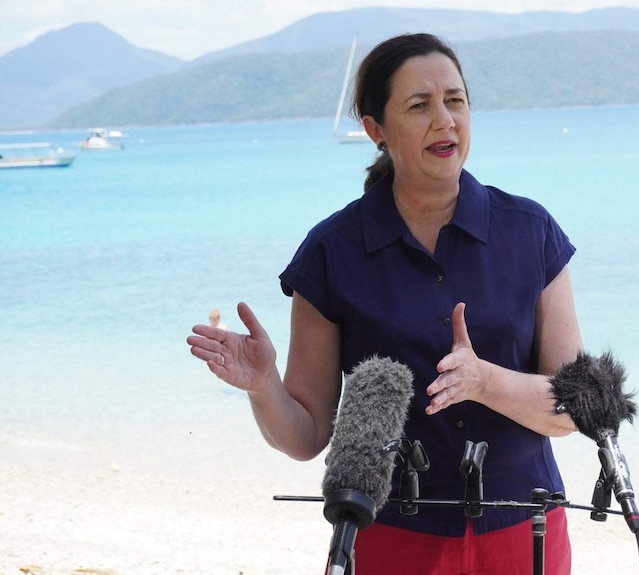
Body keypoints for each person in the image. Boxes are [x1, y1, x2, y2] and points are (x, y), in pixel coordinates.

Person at [187, 33, 583, 575]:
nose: (445, 120)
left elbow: (571, 410)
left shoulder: (531, 232)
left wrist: (483, 381)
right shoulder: (332, 252)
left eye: (456, 100)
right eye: (419, 105)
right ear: (375, 129)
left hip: (526, 529)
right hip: (393, 537)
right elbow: (306, 436)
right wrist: (264, 387)